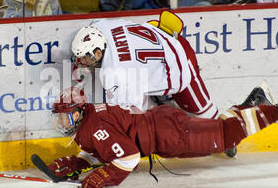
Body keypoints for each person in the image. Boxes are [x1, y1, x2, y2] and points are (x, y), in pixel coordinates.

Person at [46, 85, 278, 188]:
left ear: (79, 112)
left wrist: (105, 177)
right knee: (217, 133)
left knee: (222, 138)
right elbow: (104, 148)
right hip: (163, 131)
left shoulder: (92, 127)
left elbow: (127, 156)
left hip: (168, 134)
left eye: (65, 116)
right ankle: (253, 103)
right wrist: (79, 163)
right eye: (59, 117)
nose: (62, 122)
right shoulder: (90, 119)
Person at [71, 10, 221, 119]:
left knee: (203, 111)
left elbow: (131, 117)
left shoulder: (116, 74)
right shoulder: (100, 27)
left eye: (85, 58)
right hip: (159, 40)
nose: (82, 62)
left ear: (98, 53)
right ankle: (160, 98)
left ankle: (225, 130)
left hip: (179, 58)